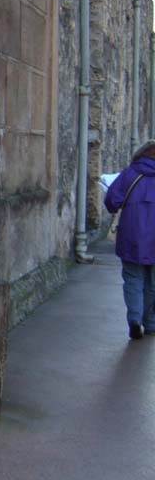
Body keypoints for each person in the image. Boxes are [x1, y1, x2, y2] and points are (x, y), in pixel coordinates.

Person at [104, 139, 155, 339]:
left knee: (133, 278)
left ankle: (135, 319)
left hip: (132, 235)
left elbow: (111, 201)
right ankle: (150, 322)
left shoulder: (130, 174)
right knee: (152, 282)